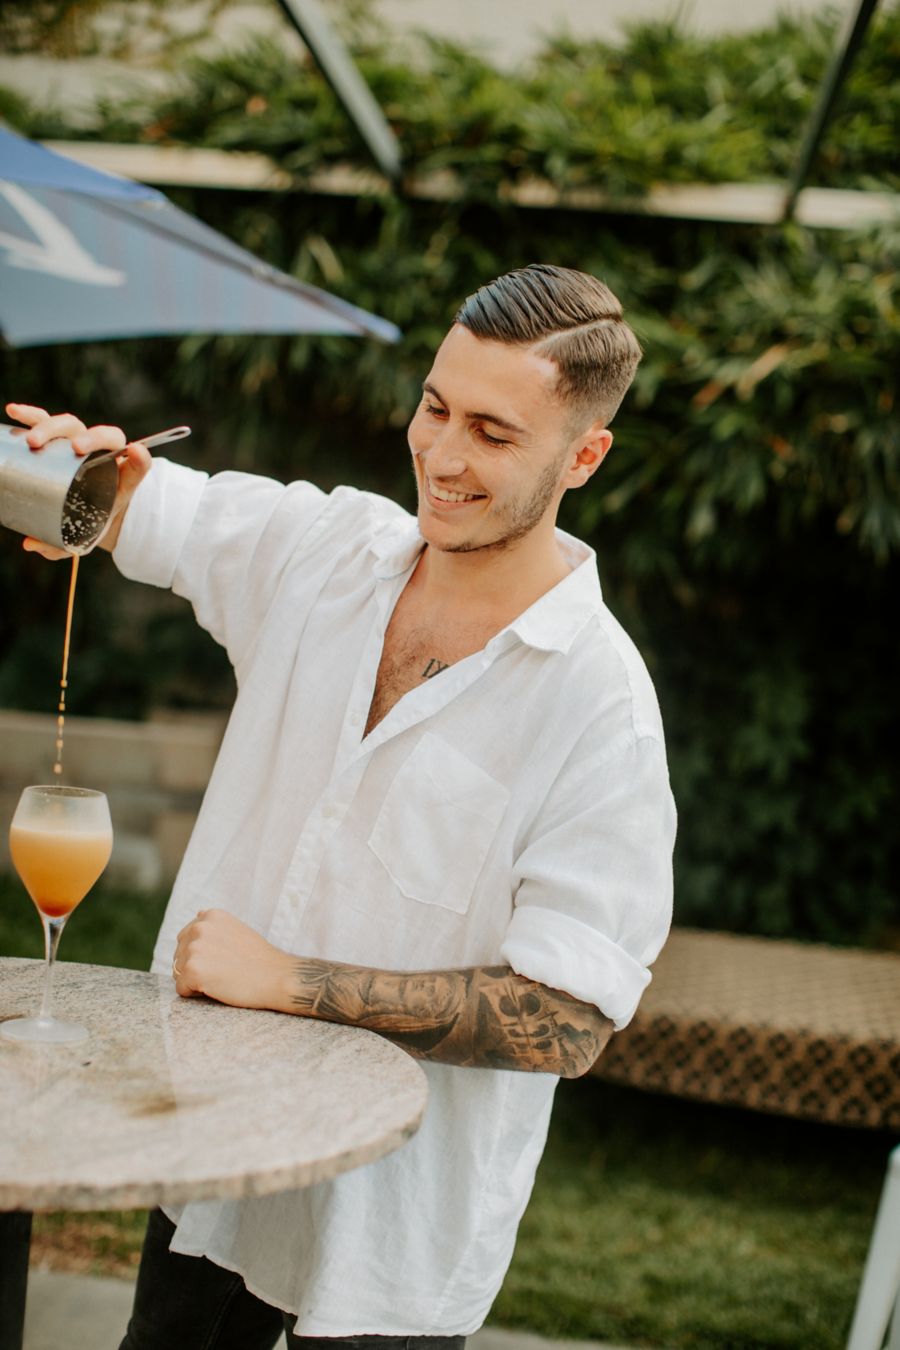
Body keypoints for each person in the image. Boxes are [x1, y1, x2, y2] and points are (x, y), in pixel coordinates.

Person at [8, 263, 676, 1350]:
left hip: (393, 1230)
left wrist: (292, 985)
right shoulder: (324, 553)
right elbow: (128, 498)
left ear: (584, 455)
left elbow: (568, 1017)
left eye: (494, 434)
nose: (443, 456)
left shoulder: (598, 704)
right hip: (215, 1165)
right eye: (434, 406)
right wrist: (73, 476)